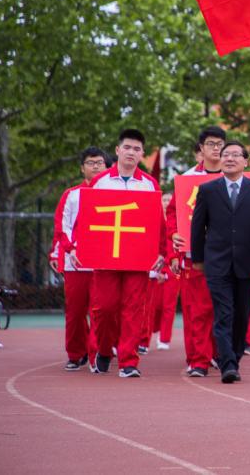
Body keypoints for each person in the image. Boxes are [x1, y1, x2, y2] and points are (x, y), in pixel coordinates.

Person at [63, 128, 167, 378]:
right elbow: (86, 219)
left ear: (142, 154)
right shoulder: (101, 181)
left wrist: (162, 252)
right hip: (105, 257)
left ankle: (128, 361)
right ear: (118, 150)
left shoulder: (149, 184)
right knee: (105, 308)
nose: (131, 152)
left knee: (133, 309)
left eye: (137, 149)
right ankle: (104, 349)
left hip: (137, 258)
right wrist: (76, 248)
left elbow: (158, 223)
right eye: (127, 147)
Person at [190, 141, 250, 384]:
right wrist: (198, 258)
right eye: (226, 154)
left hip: (248, 261)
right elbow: (198, 226)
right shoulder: (208, 190)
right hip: (217, 262)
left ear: (246, 161)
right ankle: (227, 363)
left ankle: (233, 358)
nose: (230, 158)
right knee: (223, 313)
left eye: (236, 155)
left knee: (242, 315)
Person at [165, 126, 227, 378]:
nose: (216, 149)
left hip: (228, 256)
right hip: (196, 256)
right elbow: (172, 214)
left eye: (220, 144)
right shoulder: (188, 179)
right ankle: (198, 360)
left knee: (224, 309)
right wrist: (174, 236)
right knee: (197, 311)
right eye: (211, 144)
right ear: (201, 148)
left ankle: (220, 354)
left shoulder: (234, 175)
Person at [50, 146, 108, 370]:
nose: (96, 167)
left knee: (101, 312)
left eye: (100, 163)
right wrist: (65, 250)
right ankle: (76, 353)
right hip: (76, 263)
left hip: (104, 263)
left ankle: (96, 355)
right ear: (82, 168)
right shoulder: (71, 194)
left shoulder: (114, 193)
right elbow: (61, 226)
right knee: (75, 312)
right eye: (91, 163)